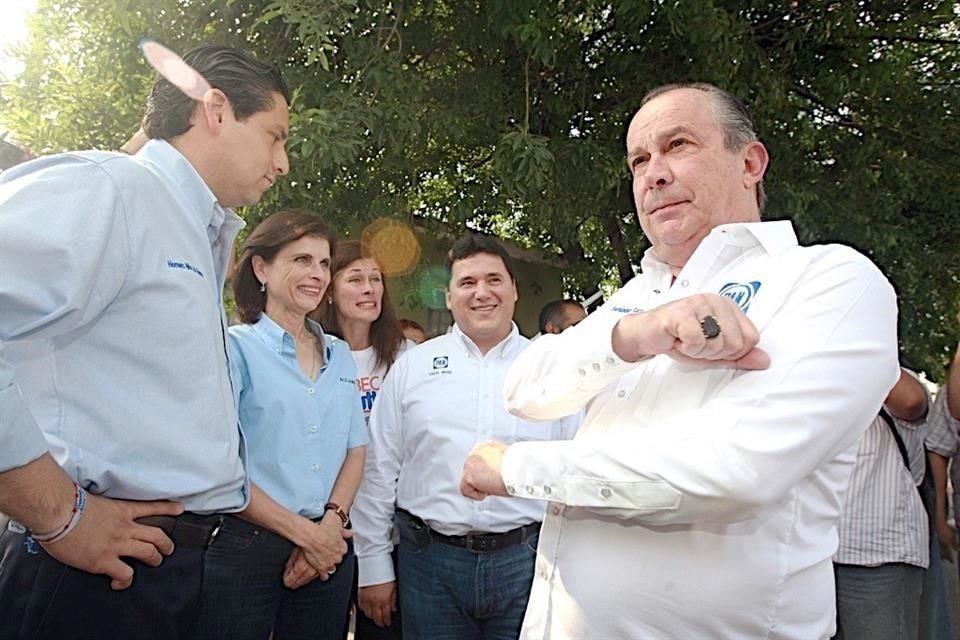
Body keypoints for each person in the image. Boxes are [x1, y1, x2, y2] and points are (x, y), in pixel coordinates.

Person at [459, 82, 899, 639]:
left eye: (678, 145)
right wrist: (636, 334)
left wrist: (512, 470)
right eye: (639, 160)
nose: (653, 174)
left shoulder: (829, 279)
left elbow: (731, 476)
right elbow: (525, 390)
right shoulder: (637, 294)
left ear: (750, 162)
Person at [0, 45, 289, 639]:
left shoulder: (188, 223)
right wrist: (59, 516)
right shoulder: (111, 190)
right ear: (215, 109)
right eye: (274, 136)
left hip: (161, 566)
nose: (282, 162)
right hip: (90, 575)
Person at [352, 234, 579, 639]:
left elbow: (574, 470)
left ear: (514, 289)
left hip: (526, 563)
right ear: (449, 295)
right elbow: (380, 470)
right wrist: (373, 566)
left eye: (494, 280)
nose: (482, 293)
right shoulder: (412, 368)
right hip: (429, 565)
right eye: (467, 282)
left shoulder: (552, 368)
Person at [193, 211, 367, 639]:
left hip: (329, 546)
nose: (317, 274)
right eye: (302, 260)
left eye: (324, 264)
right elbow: (220, 463)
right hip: (247, 546)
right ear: (261, 268)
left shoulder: (341, 354)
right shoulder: (235, 349)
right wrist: (308, 536)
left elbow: (356, 449)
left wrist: (329, 526)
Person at [316, 239, 415, 639]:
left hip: (390, 533)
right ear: (329, 290)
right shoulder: (310, 353)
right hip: (320, 527)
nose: (370, 288)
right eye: (355, 279)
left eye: (376, 279)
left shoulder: (406, 356)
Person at [832, 368, 930, 640]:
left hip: (878, 558)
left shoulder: (892, 376)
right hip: (814, 556)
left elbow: (911, 401)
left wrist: (862, 348)